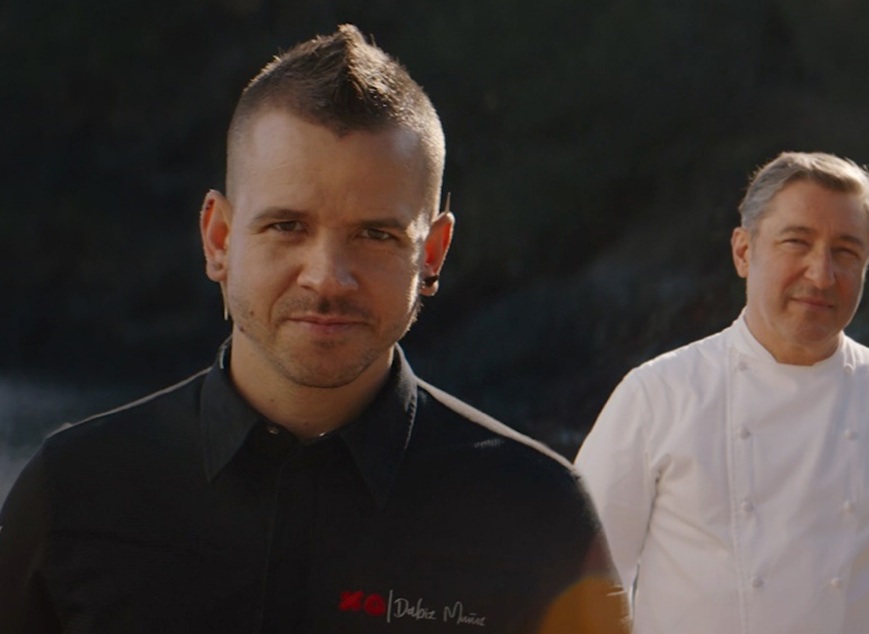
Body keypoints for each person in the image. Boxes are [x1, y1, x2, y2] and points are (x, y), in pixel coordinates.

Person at [0, 25, 627, 633]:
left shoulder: (538, 519)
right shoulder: (71, 495)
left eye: (375, 234)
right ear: (219, 238)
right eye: (287, 227)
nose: (328, 278)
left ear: (431, 254)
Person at [575, 151, 869, 633]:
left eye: (846, 252)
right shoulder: (656, 397)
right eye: (796, 242)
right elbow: (580, 585)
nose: (821, 275)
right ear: (743, 252)